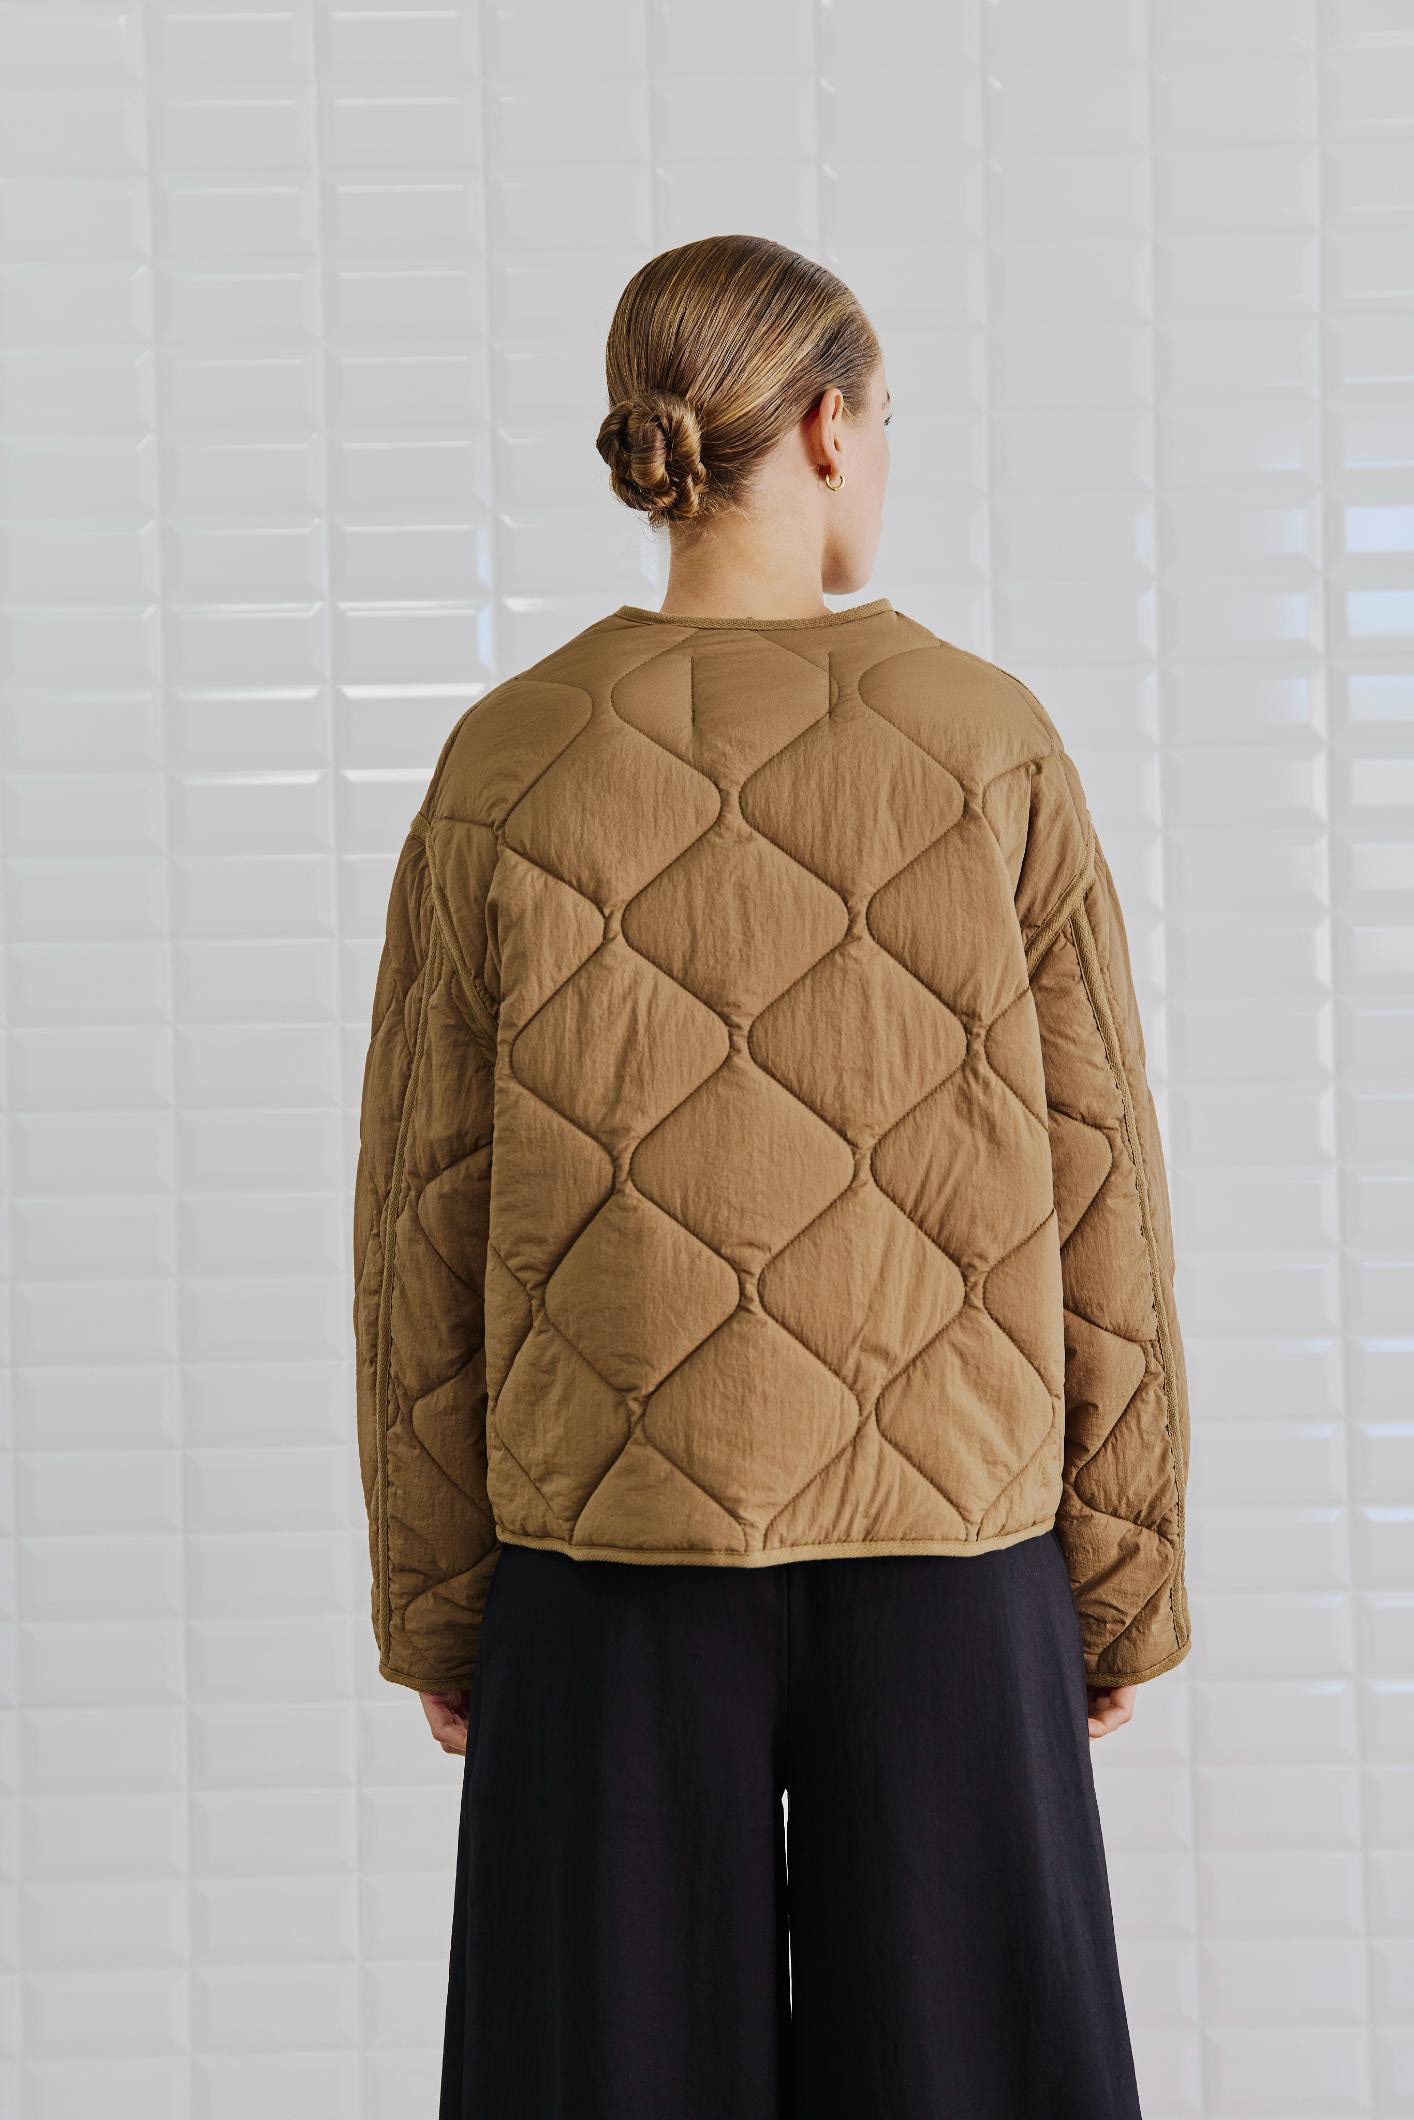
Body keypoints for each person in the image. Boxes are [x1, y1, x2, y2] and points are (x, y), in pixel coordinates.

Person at [351, 232, 1192, 2119]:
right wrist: (1118, 1577)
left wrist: (442, 1599)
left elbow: (420, 1213)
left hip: (604, 1563)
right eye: (883, 421)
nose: (879, 455)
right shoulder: (987, 743)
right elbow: (1102, 1182)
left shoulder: (508, 760)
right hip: (956, 1558)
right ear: (822, 427)